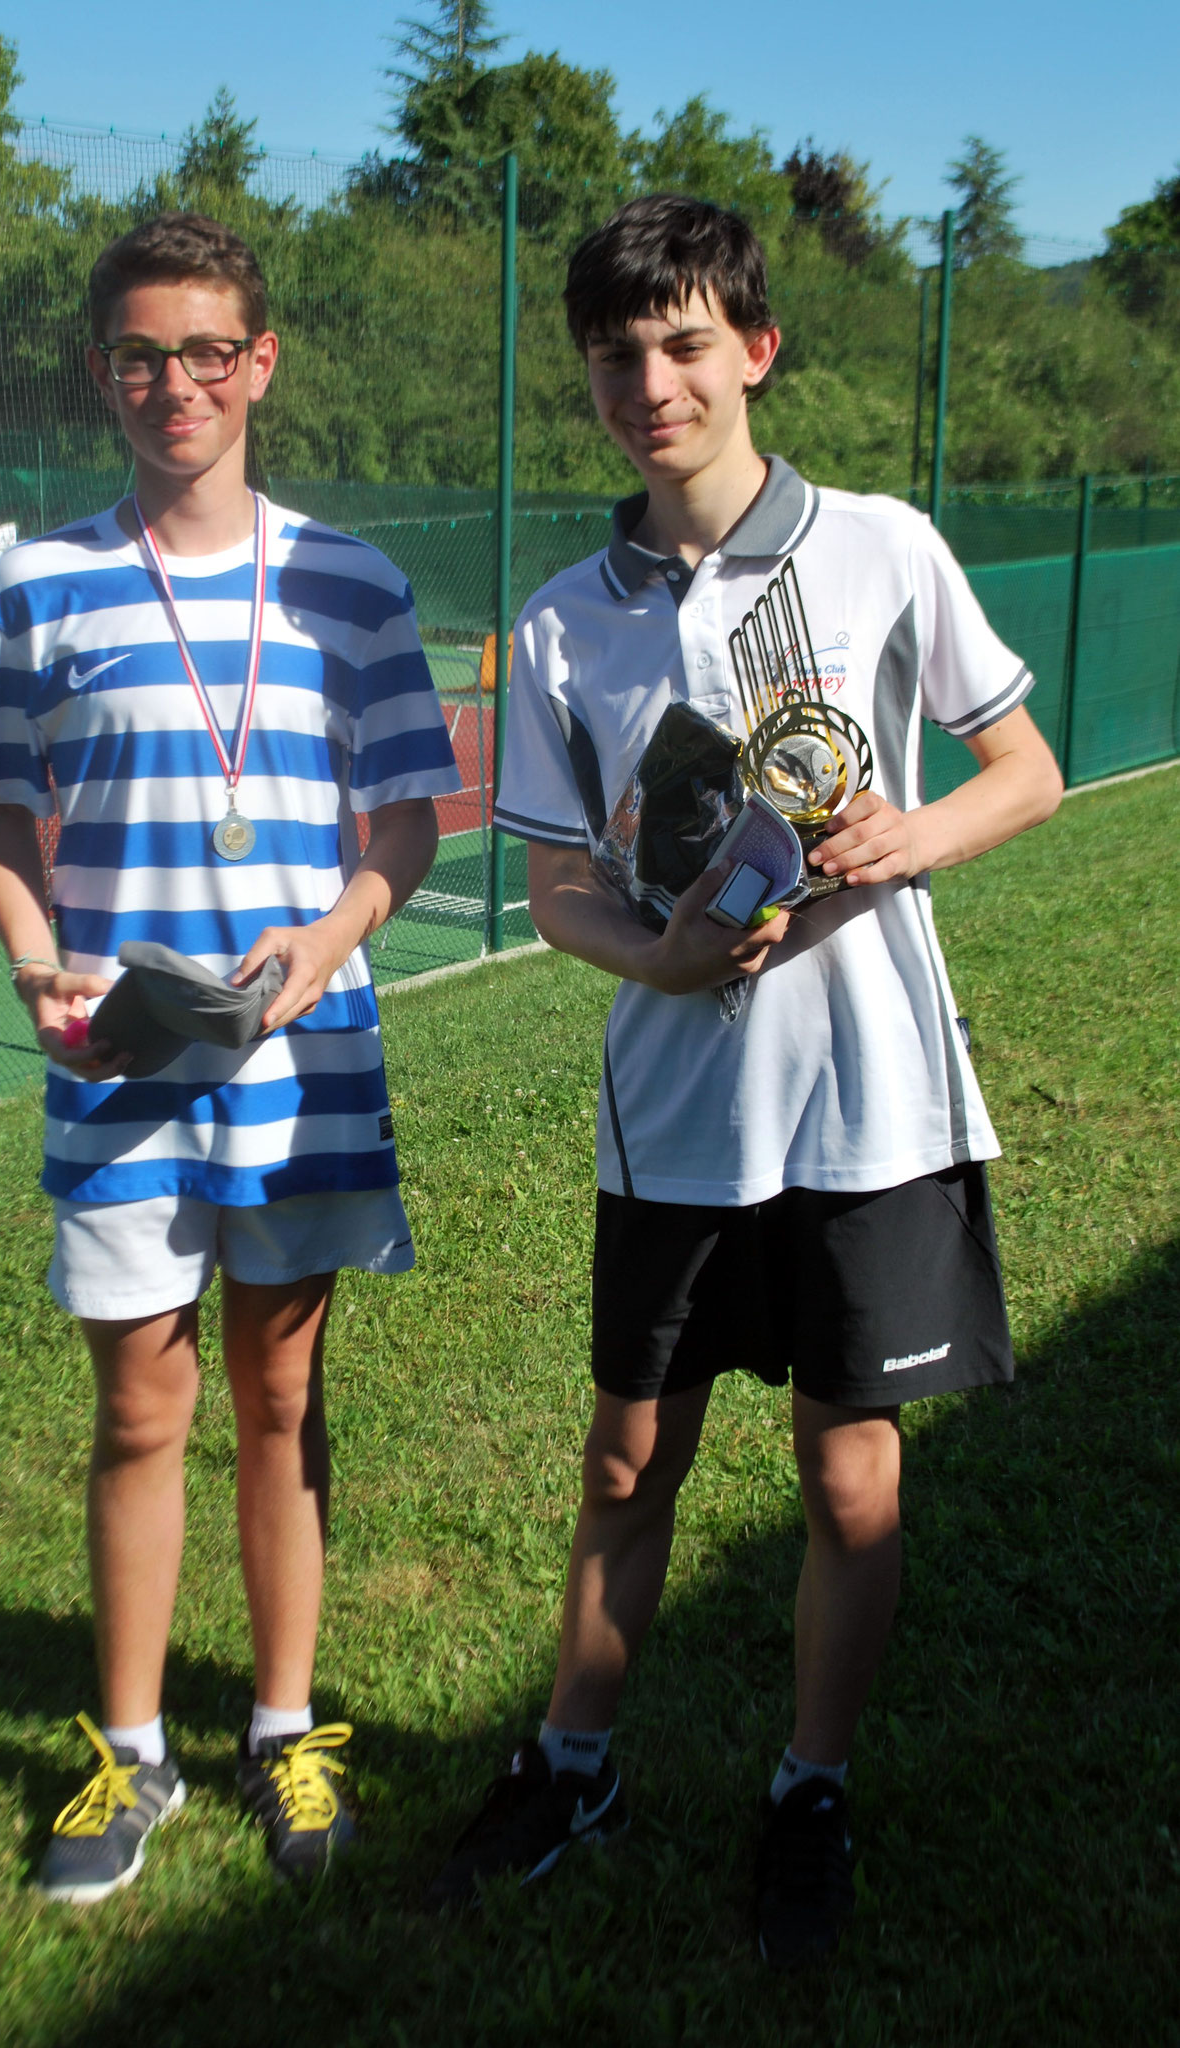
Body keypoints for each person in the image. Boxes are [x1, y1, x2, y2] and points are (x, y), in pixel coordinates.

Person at [426, 194, 1063, 1965]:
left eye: (689, 342)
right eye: (620, 355)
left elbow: (1026, 770)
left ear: (755, 349)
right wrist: (663, 957)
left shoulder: (878, 546)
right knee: (629, 1466)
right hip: (679, 1111)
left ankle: (809, 1791)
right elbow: (561, 885)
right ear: (591, 378)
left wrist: (905, 832)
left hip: (876, 1106)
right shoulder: (564, 623)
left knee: (851, 1477)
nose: (656, 382)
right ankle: (574, 1763)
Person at [0, 212, 459, 1904]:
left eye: (205, 351)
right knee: (138, 1404)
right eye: (138, 354)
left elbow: (407, 817)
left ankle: (284, 1724)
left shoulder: (352, 583)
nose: (173, 383)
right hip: (120, 1065)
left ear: (262, 363)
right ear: (103, 367)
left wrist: (325, 947)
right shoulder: (35, 586)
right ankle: (130, 1755)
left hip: (305, 1062)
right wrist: (36, 964)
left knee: (282, 1394)